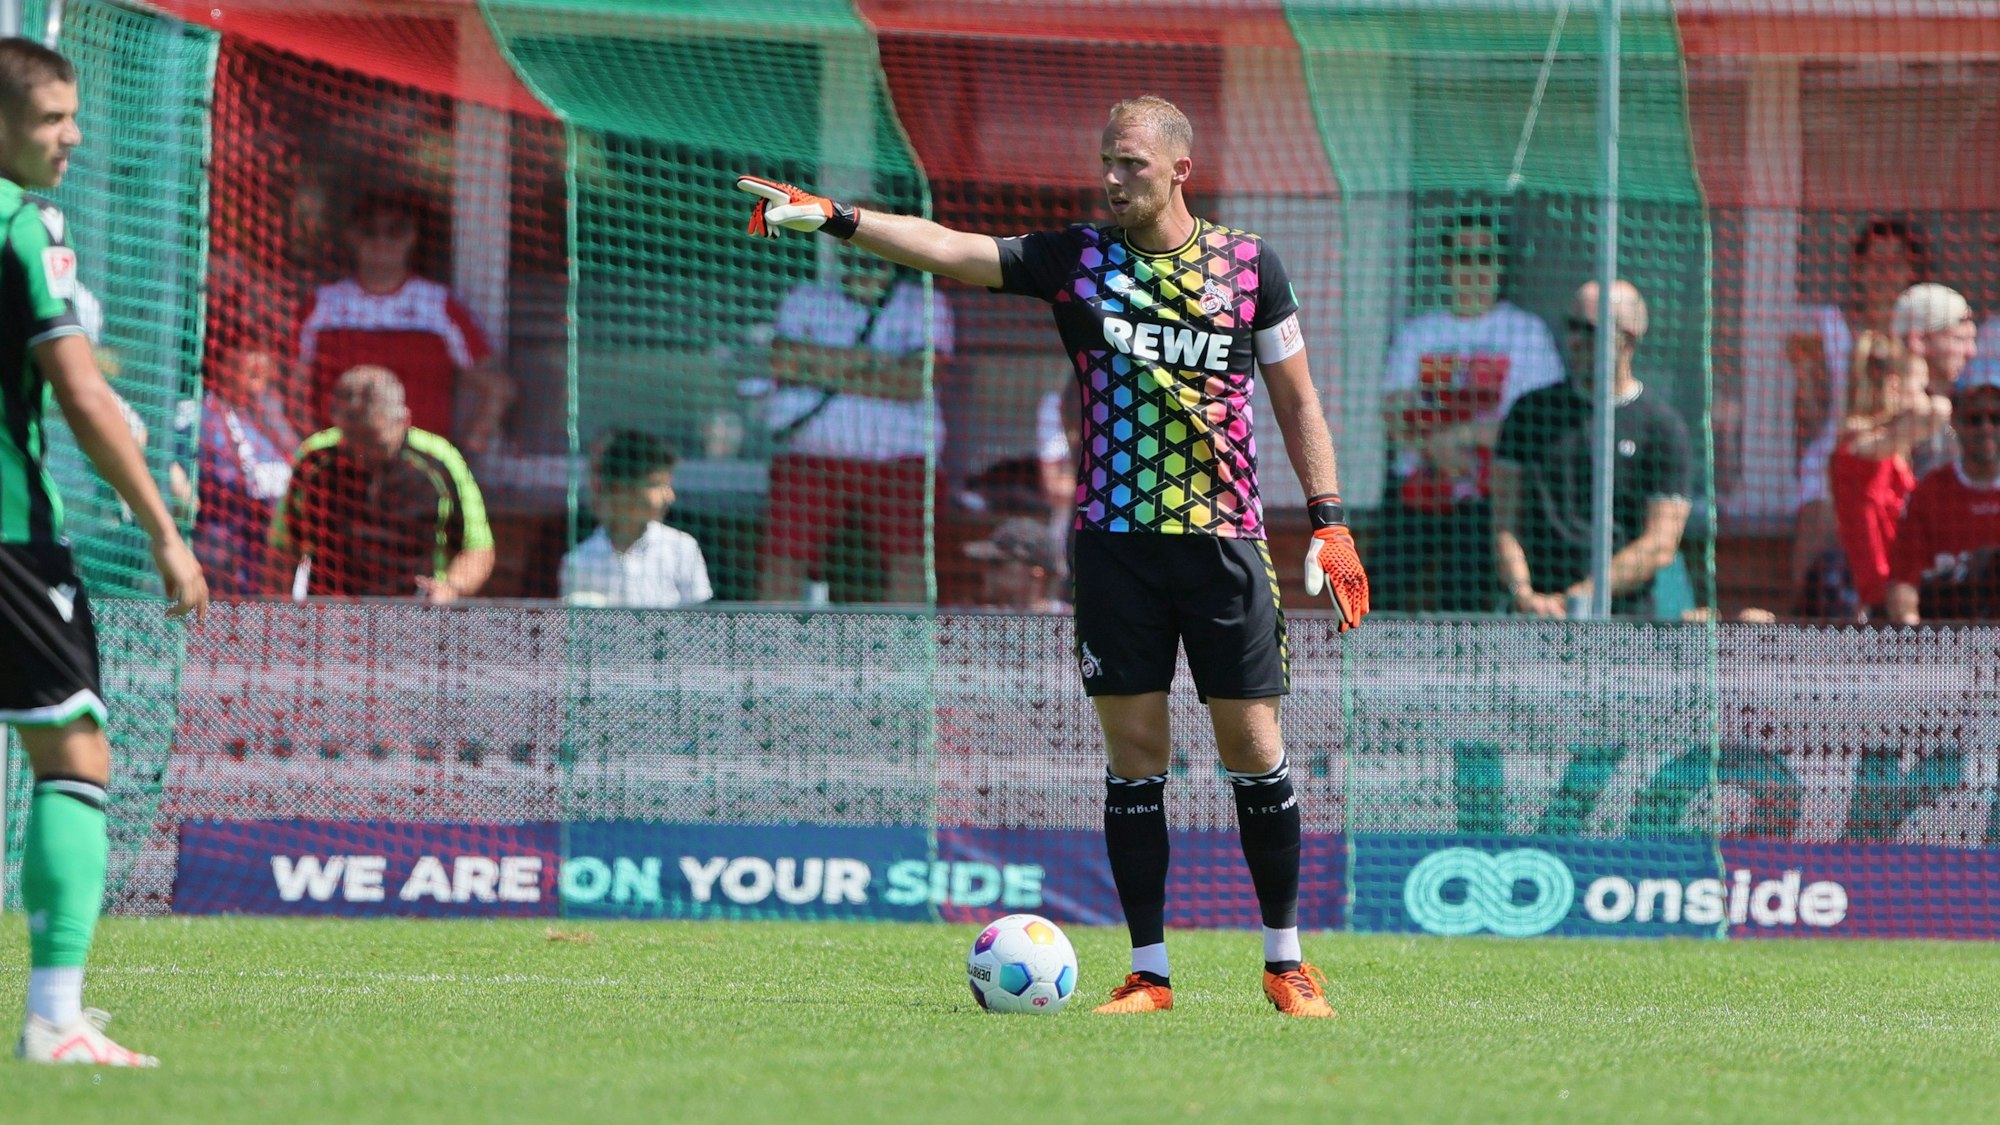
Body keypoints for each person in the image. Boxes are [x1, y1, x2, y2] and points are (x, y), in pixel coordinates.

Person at [737, 93, 1370, 1018]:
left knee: (1254, 748)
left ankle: (1286, 964)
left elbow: (1300, 402)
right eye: (1106, 162)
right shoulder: (1078, 258)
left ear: (1179, 171)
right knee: (1135, 757)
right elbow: (953, 247)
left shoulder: (1249, 265)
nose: (1112, 179)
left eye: (1132, 166)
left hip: (1225, 542)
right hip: (1114, 546)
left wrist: (1330, 518)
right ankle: (1149, 974)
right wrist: (841, 219)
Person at [0, 38, 207, 1068]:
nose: (74, 135)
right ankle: (53, 1022)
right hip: (6, 535)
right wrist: (163, 532)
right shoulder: (22, 225)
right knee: (74, 752)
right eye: (51, 119)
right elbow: (77, 393)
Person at [1376, 211, 1564, 612]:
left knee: (1464, 604)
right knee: (1378, 597)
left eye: (1485, 257)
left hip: (1490, 498)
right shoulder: (1420, 333)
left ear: (1500, 264)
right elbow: (1393, 411)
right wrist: (1436, 451)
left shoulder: (1526, 332)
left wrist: (1455, 437)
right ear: (1446, 264)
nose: (1475, 268)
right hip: (1417, 491)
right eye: (1463, 257)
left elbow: (1532, 422)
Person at [757, 239, 952, 605]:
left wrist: (817, 366)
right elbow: (782, 362)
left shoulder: (925, 302)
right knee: (782, 558)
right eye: (853, 242)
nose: (864, 254)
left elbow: (914, 382)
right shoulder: (806, 297)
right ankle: (773, 654)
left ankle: (904, 658)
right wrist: (878, 363)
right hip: (811, 456)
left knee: (913, 562)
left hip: (900, 459)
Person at [1491, 280, 1694, 618]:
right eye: (1571, 327)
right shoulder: (1530, 414)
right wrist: (1524, 593)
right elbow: (1504, 522)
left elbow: (1660, 543)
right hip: (1535, 615)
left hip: (1624, 623)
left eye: (1589, 330)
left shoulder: (1662, 428)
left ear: (1628, 339)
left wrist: (1587, 594)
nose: (1575, 340)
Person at [296, 192, 513, 456]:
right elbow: (288, 385)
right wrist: (306, 448)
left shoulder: (439, 306)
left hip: (417, 467)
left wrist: (464, 453)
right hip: (339, 467)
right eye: (369, 231)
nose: (381, 241)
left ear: (412, 237)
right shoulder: (322, 305)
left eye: (394, 231)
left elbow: (497, 387)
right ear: (351, 237)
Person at [1786, 219, 1928, 617]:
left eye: (1896, 262)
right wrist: (1803, 374)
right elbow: (1812, 421)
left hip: (1899, 467)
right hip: (1835, 464)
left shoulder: (1924, 332)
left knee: (1891, 585)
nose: (1885, 273)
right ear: (1858, 270)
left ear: (1912, 272)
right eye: (1875, 262)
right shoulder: (1830, 327)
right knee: (1812, 579)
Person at [267, 365, 492, 601]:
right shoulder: (314, 459)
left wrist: (450, 588)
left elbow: (478, 549)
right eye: (352, 440)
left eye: (375, 442)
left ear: (404, 420)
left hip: (412, 616)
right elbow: (283, 549)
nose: (363, 454)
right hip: (333, 619)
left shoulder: (439, 462)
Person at [1828, 284, 1963, 619]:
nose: (1924, 392)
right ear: (1894, 387)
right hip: (1880, 607)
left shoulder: (1897, 454)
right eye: (1918, 385)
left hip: (1909, 595)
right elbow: (1930, 415)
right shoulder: (1856, 449)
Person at [1886, 364, 2000, 627]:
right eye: (1975, 418)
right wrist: (1916, 641)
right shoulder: (1930, 493)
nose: (1986, 428)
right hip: (1948, 643)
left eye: (1996, 418)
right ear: (1956, 422)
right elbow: (1903, 584)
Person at [190, 347, 302, 596]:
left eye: (264, 351)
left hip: (269, 579)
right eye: (249, 349)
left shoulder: (274, 418)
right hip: (218, 579)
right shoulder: (197, 418)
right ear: (219, 360)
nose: (261, 363)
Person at [560, 428, 713, 608]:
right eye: (657, 484)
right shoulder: (578, 562)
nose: (669, 496)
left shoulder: (682, 548)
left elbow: (698, 625)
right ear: (621, 489)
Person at [964, 516, 1068, 613]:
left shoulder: (1065, 623)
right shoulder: (983, 616)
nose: (986, 571)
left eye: (996, 563)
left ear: (1037, 572)